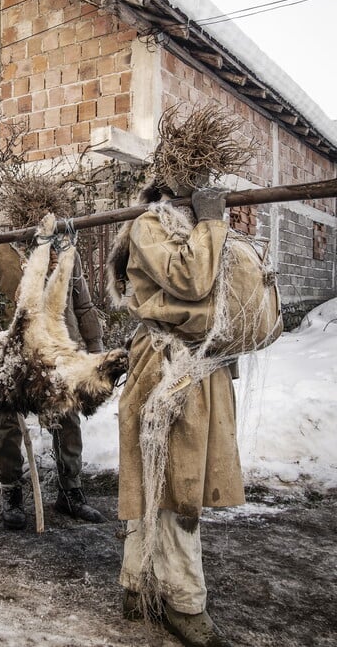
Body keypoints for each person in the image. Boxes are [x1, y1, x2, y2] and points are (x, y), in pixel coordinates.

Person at [108, 106, 266, 647]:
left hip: (198, 367)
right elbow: (192, 279)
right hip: (165, 370)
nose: (204, 191)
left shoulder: (191, 225)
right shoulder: (150, 224)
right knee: (175, 484)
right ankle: (183, 601)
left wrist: (211, 226)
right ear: (174, 181)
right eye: (196, 184)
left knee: (173, 477)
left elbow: (217, 293)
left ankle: (138, 584)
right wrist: (214, 222)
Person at [0, 231, 107, 531]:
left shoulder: (67, 251)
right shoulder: (0, 251)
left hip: (57, 348)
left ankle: (70, 491)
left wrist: (95, 349)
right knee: (7, 424)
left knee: (67, 420)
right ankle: (11, 494)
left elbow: (82, 304)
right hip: (15, 352)